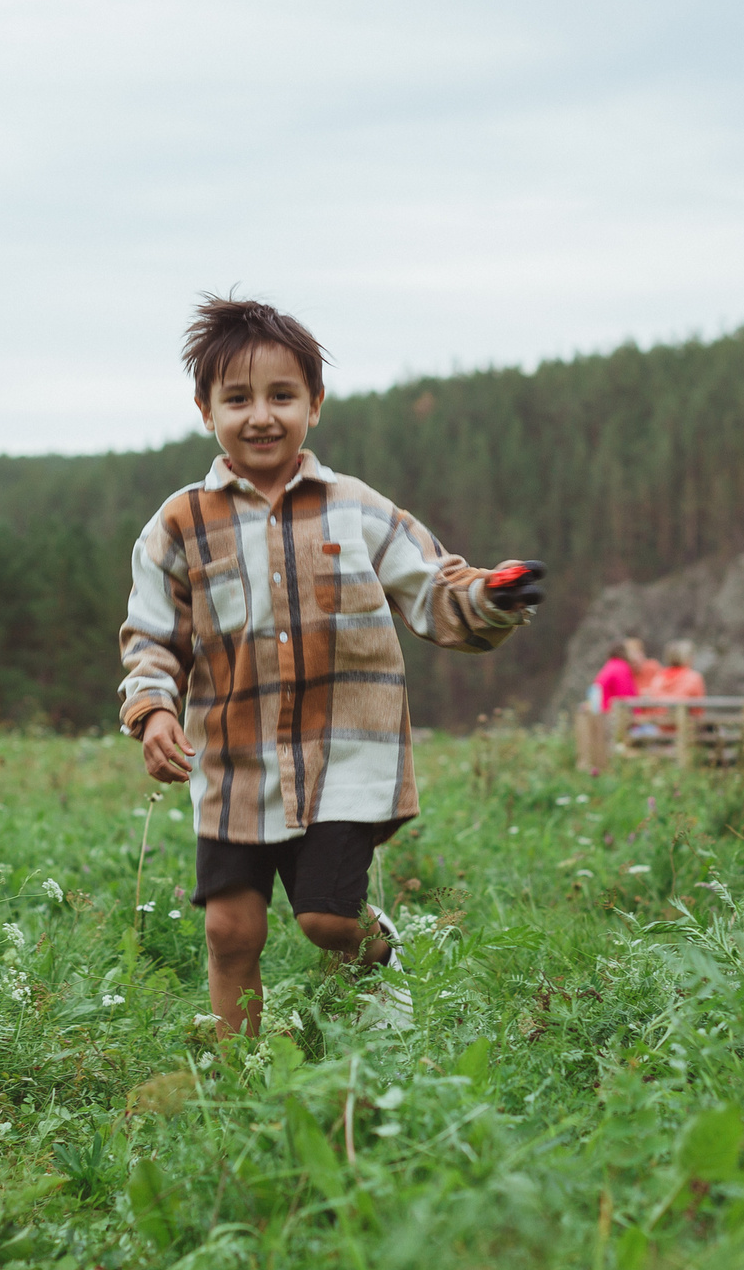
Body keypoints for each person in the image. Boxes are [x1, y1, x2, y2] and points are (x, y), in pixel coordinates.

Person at [119, 297, 546, 1037]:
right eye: (238, 398)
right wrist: (154, 707)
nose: (261, 415)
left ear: (314, 405)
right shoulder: (179, 524)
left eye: (282, 396)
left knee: (322, 919)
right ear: (204, 409)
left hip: (344, 757)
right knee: (230, 927)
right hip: (233, 763)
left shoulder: (355, 509)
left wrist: (491, 596)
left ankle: (377, 955)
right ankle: (239, 1074)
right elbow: (153, 634)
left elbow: (434, 589)